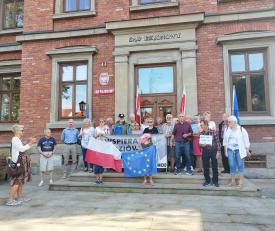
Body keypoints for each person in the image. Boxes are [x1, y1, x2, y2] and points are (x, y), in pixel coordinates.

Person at [6, 125, 36, 206]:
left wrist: (27, 142)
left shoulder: (18, 139)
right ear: (17, 131)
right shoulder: (15, 139)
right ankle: (10, 200)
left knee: (20, 182)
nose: (23, 131)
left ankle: (20, 198)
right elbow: (22, 149)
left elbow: (22, 147)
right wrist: (30, 143)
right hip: (17, 164)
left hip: (21, 164)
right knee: (16, 182)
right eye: (22, 130)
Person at [223, 115, 250, 187]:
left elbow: (246, 140)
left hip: (239, 150)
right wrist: (225, 151)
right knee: (231, 165)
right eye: (228, 122)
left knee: (240, 165)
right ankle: (233, 181)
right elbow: (225, 141)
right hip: (230, 150)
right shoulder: (227, 130)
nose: (228, 123)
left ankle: (241, 181)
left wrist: (247, 150)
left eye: (229, 122)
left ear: (234, 122)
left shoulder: (241, 129)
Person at [200, 120, 221, 187]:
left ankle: (215, 181)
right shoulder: (201, 133)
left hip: (213, 150)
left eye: (202, 125)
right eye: (201, 125)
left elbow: (218, 142)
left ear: (206, 125)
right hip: (205, 151)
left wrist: (218, 152)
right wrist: (202, 145)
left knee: (214, 166)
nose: (201, 126)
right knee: (205, 166)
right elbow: (200, 144)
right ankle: (207, 180)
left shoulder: (213, 132)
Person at [94, 118, 110, 184]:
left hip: (104, 147)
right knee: (96, 163)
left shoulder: (106, 128)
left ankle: (101, 178)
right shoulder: (96, 128)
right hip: (97, 147)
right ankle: (97, 178)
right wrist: (98, 135)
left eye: (102, 121)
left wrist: (104, 134)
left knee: (102, 163)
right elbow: (94, 137)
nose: (101, 122)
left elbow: (109, 136)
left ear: (104, 122)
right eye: (100, 121)